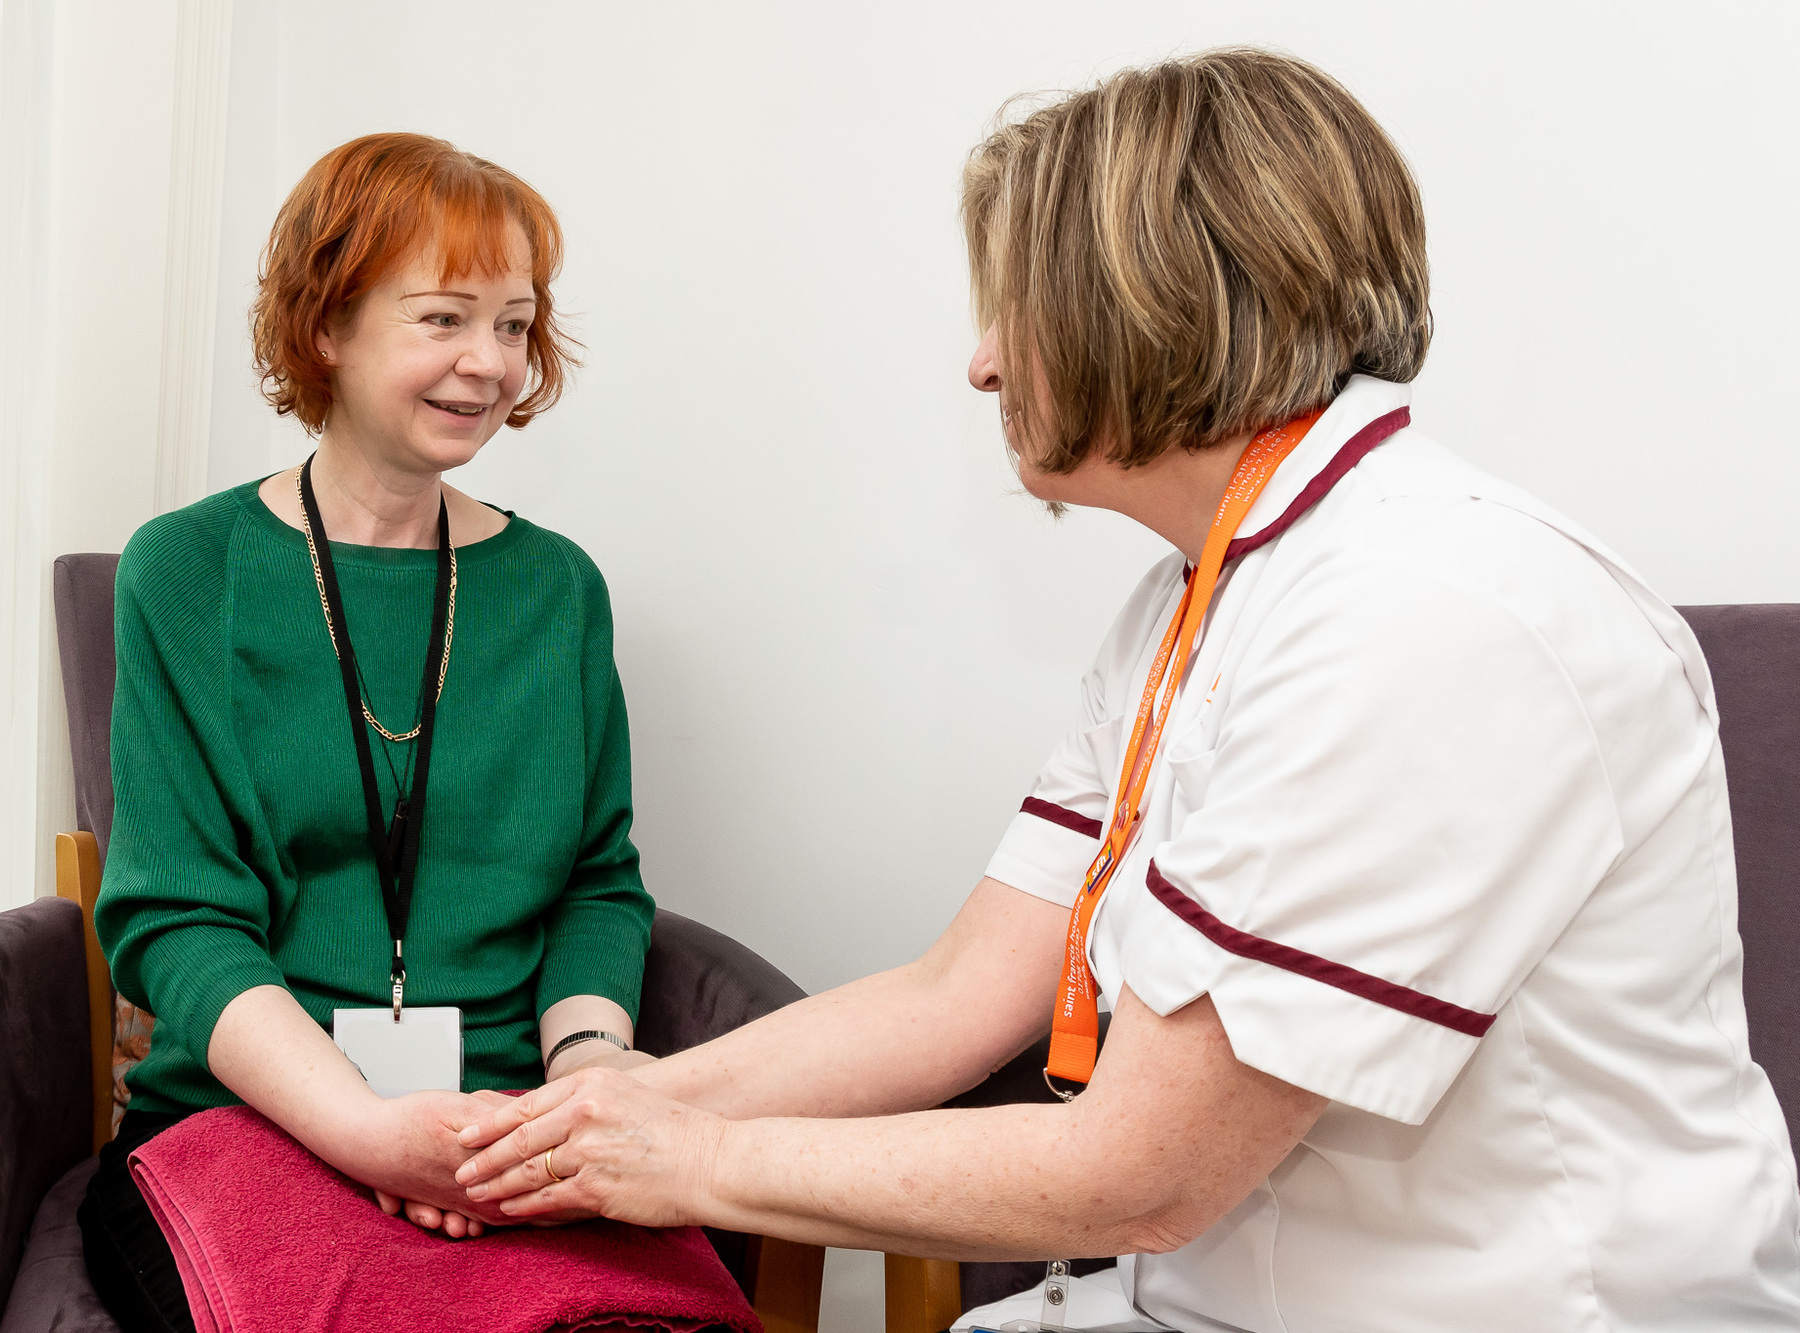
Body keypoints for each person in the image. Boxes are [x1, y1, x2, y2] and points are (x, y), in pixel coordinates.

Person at [448, 50, 1800, 1331]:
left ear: (1149, 299)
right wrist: (581, 1127)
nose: (980, 361)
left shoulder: (1425, 615)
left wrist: (678, 1161)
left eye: (1012, 307)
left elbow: (1145, 1172)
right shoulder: (1198, 595)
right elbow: (957, 995)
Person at [79, 133, 655, 1333]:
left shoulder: (559, 589)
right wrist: (368, 1132)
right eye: (444, 318)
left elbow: (597, 883)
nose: (489, 363)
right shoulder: (187, 570)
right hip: (248, 1121)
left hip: (507, 1134)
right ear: (327, 327)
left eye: (513, 324)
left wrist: (586, 1073)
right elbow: (173, 917)